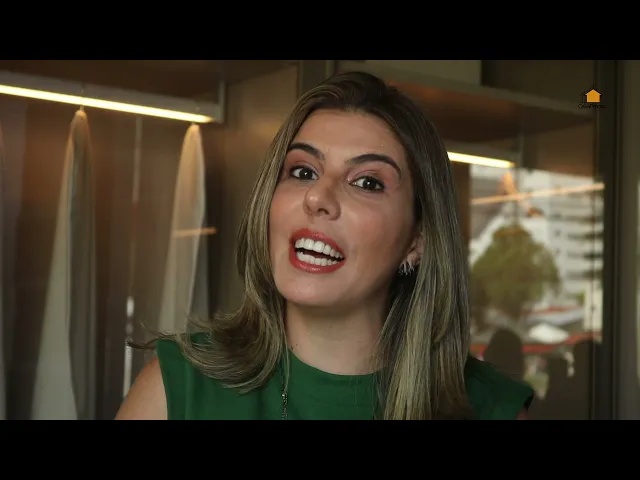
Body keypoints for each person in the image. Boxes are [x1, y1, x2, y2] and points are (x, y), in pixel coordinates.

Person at [115, 71, 534, 420]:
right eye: (303, 172)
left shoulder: (490, 408)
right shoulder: (177, 390)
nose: (317, 197)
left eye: (367, 182)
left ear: (417, 239)